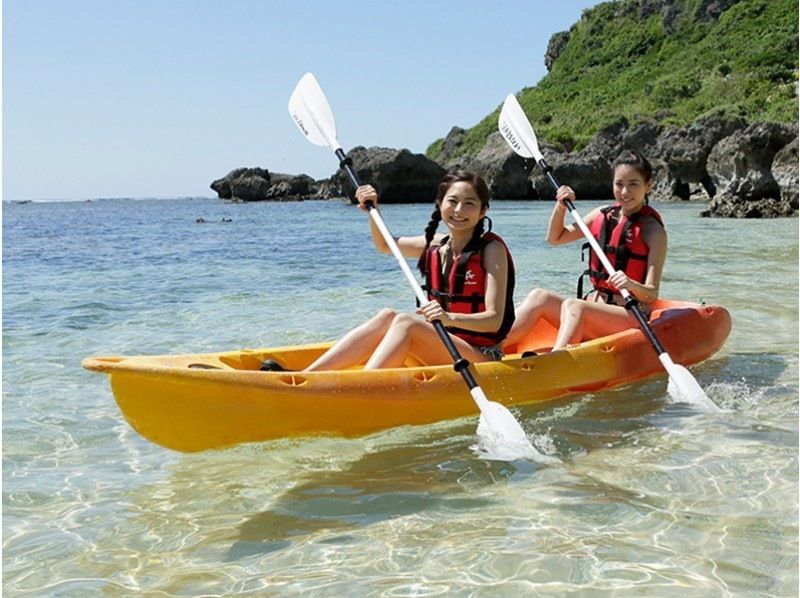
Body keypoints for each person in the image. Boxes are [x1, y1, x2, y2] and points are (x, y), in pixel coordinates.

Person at [261, 170, 515, 371]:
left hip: (482, 357)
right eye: (453, 201)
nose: (459, 210)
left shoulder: (491, 250)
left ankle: (362, 388)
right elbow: (385, 244)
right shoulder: (436, 245)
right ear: (440, 205)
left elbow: (494, 319)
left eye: (470, 204)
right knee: (388, 315)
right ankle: (308, 377)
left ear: (483, 212)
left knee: (405, 323)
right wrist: (374, 210)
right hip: (445, 344)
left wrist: (448, 319)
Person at [503, 150, 666, 353]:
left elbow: (651, 294)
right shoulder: (602, 215)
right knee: (539, 297)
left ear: (648, 185)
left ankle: (555, 362)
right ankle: (492, 348)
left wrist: (630, 283)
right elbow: (555, 238)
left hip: (629, 316)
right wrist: (561, 207)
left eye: (633, 184)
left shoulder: (653, 231)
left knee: (574, 305)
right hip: (596, 308)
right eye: (619, 184)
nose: (625, 192)